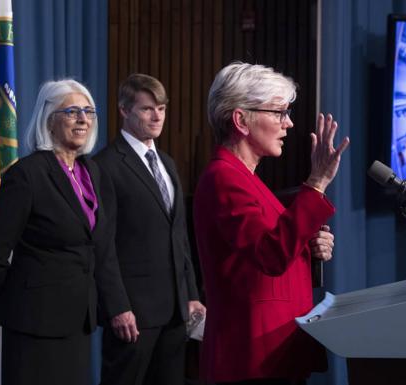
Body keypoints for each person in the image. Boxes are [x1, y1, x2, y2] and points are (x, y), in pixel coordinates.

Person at [194, 62, 350, 384]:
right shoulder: (224, 178)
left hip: (275, 352)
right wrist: (317, 183)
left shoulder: (247, 179)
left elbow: (261, 251)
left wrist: (308, 245)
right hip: (251, 359)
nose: (289, 123)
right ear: (241, 120)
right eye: (279, 112)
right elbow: (270, 255)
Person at [0, 79, 128, 385]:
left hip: (79, 322)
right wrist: (12, 308)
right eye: (72, 111)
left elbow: (101, 248)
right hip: (34, 325)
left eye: (88, 111)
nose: (83, 118)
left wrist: (118, 306)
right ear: (49, 119)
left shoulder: (92, 172)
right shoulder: (27, 174)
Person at [94, 73, 205, 385]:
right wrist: (117, 307)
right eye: (147, 109)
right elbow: (104, 247)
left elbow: (179, 237)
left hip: (175, 313)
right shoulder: (105, 166)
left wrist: (191, 294)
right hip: (132, 315)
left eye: (162, 108)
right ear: (124, 111)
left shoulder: (167, 163)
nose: (157, 116)